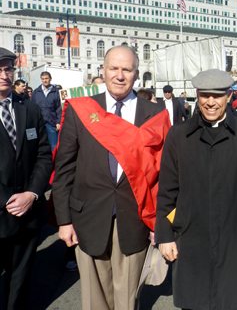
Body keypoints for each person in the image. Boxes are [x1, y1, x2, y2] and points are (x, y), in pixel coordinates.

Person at [51, 45, 169, 310]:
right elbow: (64, 170)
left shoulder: (155, 115)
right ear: (102, 71)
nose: (119, 75)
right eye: (113, 68)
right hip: (87, 218)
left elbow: (165, 176)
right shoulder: (81, 110)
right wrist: (64, 221)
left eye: (126, 69)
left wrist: (160, 224)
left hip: (135, 219)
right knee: (95, 300)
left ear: (136, 75)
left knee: (128, 300)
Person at [155, 68, 237, 310]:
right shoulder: (179, 136)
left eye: (217, 96)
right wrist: (165, 235)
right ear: (197, 95)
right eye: (205, 95)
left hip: (234, 237)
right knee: (194, 302)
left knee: (231, 301)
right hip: (191, 237)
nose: (210, 102)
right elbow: (167, 190)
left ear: (228, 97)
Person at [0, 47, 52, 309]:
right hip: (2, 209)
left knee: (21, 277)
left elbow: (44, 154)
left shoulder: (29, 108)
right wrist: (8, 199)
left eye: (8, 68)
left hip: (28, 211)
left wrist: (31, 193)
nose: (4, 74)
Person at [31, 71, 61, 150]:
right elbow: (32, 108)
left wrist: (58, 122)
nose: (45, 80)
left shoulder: (56, 92)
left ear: (50, 79)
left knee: (53, 146)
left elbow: (59, 108)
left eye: (46, 78)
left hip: (51, 123)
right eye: (43, 79)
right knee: (39, 145)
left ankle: (54, 161)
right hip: (39, 123)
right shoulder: (36, 92)